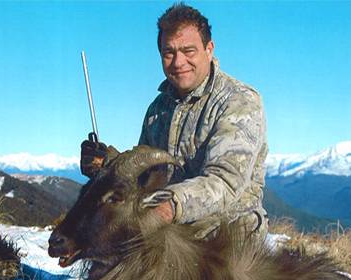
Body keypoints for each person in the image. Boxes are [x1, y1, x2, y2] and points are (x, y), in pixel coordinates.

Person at [81, 2, 268, 241]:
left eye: (188, 51)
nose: (178, 62)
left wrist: (170, 205)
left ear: (209, 49)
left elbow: (224, 182)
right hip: (171, 233)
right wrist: (105, 164)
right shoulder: (157, 109)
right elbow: (145, 174)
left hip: (228, 237)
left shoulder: (239, 101)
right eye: (169, 53)